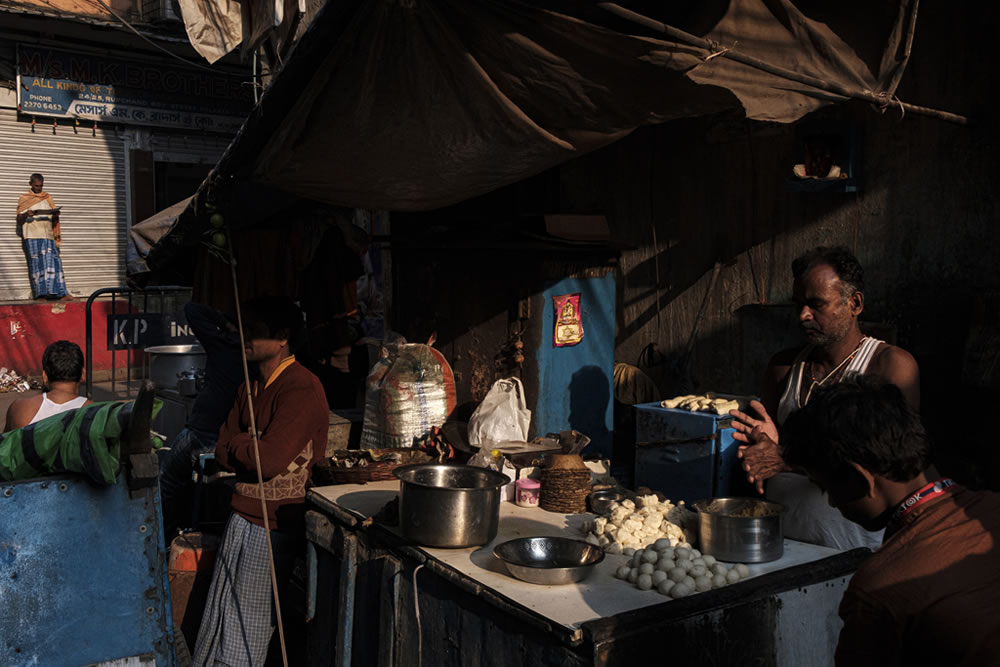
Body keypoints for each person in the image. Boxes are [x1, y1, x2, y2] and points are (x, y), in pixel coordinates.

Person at [780, 377, 1000, 666]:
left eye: (826, 488)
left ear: (859, 478)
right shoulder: (992, 507)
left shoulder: (879, 590)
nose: (832, 502)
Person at [729, 246, 919, 550]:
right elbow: (766, 454)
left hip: (852, 546)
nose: (803, 315)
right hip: (783, 544)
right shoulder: (783, 368)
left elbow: (890, 462)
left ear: (854, 304)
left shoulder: (890, 365)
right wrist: (760, 447)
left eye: (817, 304)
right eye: (799, 304)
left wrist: (786, 458)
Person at [193, 297, 328, 667]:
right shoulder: (249, 385)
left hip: (273, 525)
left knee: (244, 627)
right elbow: (221, 447)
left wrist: (246, 445)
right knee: (221, 617)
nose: (245, 337)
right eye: (244, 329)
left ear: (282, 337)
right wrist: (248, 444)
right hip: (242, 515)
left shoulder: (301, 387)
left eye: (255, 331)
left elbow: (268, 460)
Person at [158, 302, 243, 536]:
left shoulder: (225, 345)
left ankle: (164, 536)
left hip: (206, 434)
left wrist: (226, 324)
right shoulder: (250, 355)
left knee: (168, 481)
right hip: (231, 437)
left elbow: (193, 309)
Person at [5, 340, 91, 432]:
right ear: (83, 374)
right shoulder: (96, 413)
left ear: (45, 376)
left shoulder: (19, 410)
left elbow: (6, 444)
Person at [16, 173, 69, 300]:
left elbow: (54, 218)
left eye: (41, 186)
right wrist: (26, 214)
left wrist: (56, 214)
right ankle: (41, 294)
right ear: (30, 184)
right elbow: (19, 219)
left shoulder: (47, 197)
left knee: (54, 263)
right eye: (36, 186)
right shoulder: (24, 199)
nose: (39, 188)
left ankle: (61, 293)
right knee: (37, 264)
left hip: (48, 236)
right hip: (33, 236)